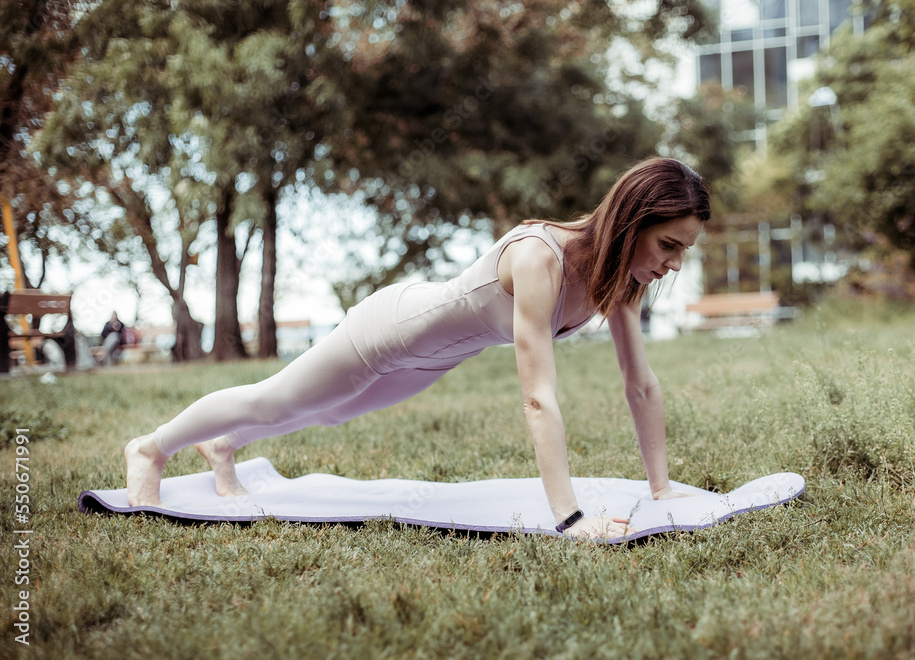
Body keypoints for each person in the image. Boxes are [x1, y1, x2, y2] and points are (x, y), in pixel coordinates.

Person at [124, 156, 710, 539]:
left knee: (328, 412)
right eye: (668, 244)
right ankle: (152, 449)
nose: (673, 263)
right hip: (391, 329)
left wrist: (660, 487)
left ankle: (224, 446)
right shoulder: (542, 258)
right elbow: (538, 399)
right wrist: (570, 517)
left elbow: (641, 383)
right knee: (276, 401)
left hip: (436, 356)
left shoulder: (621, 280)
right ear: (632, 222)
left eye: (681, 250)